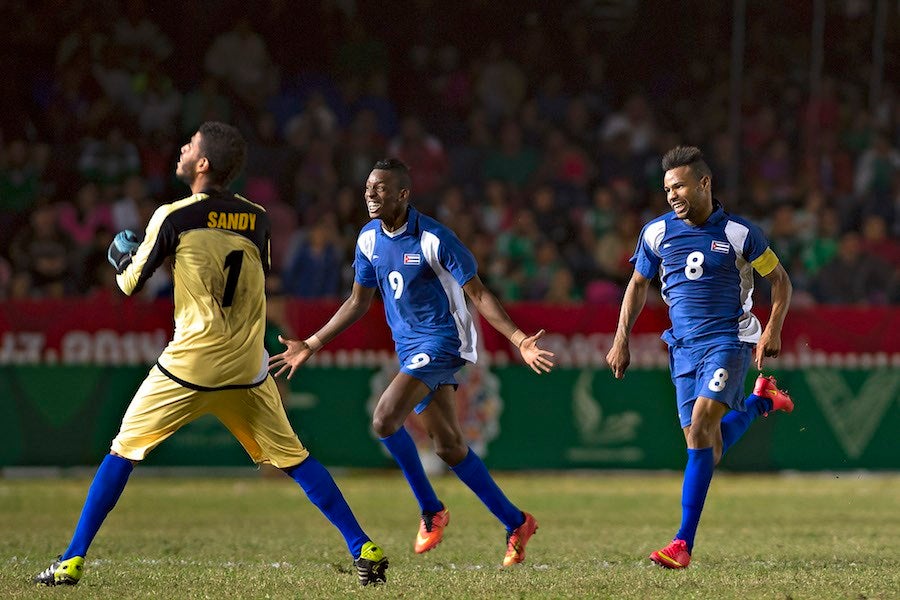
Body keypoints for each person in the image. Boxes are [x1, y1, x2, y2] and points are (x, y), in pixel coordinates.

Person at [33, 122, 388, 588]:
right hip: (246, 364)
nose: (181, 148)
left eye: (189, 144)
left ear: (202, 164)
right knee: (296, 459)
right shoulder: (258, 217)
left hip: (191, 362)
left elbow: (129, 284)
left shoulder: (173, 215)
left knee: (122, 451)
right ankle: (363, 545)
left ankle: (73, 558)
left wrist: (121, 255)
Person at [270, 158, 555, 566]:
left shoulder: (436, 239)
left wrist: (519, 339)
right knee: (450, 446)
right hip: (410, 348)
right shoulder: (368, 239)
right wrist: (311, 343)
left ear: (403, 195)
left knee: (384, 418)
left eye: (381, 189)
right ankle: (516, 522)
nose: (370, 194)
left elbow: (479, 294)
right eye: (368, 187)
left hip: (443, 341)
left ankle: (430, 509)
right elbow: (357, 302)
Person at [605, 146, 794, 569]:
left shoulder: (740, 234)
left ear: (704, 183)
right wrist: (622, 339)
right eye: (667, 188)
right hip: (683, 348)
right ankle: (763, 401)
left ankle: (682, 543)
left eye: (680, 185)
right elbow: (637, 285)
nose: (672, 194)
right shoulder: (655, 233)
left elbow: (780, 282)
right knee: (706, 444)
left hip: (728, 339)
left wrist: (773, 328)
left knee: (706, 423)